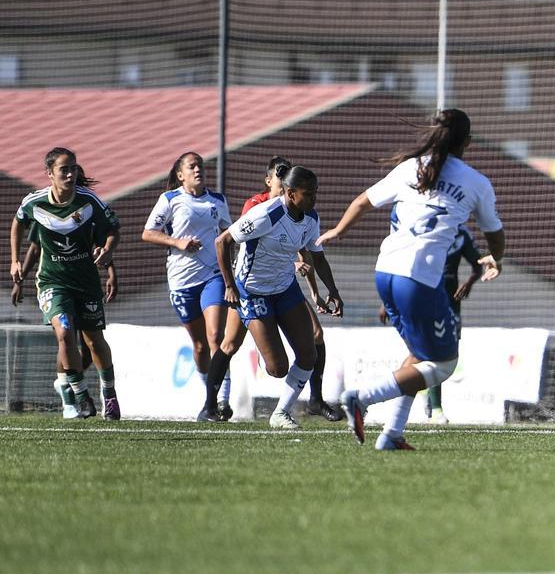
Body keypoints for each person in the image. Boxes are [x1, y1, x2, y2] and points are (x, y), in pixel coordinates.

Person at [317, 108, 504, 451]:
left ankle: (392, 434)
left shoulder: (410, 168)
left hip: (385, 272)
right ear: (468, 142)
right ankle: (362, 397)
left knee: (418, 355)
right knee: (444, 364)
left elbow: (362, 201)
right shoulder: (476, 182)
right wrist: (496, 257)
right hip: (418, 281)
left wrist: (339, 230)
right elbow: (495, 233)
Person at [202, 156, 343, 423]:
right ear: (291, 193)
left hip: (285, 288)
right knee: (277, 368)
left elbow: (317, 256)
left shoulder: (311, 218)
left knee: (308, 354)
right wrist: (230, 285)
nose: (314, 199)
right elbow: (222, 241)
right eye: (308, 194)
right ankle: (211, 403)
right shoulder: (266, 214)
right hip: (253, 291)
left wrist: (332, 290)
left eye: (316, 193)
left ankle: (281, 413)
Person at [10, 148, 122, 420]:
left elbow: (112, 230)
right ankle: (79, 396)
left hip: (86, 282)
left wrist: (108, 253)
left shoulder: (89, 201)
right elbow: (18, 224)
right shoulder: (35, 203)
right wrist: (15, 262)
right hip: (52, 282)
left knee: (94, 341)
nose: (70, 174)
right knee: (64, 332)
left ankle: (109, 395)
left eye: (73, 168)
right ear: (50, 174)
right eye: (64, 169)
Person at [141, 152, 236, 417]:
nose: (198, 170)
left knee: (216, 336)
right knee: (200, 346)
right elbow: (148, 233)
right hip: (182, 281)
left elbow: (229, 234)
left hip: (213, 276)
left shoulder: (217, 200)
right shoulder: (170, 199)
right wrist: (177, 242)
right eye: (192, 166)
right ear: (180, 174)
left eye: (200, 166)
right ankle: (209, 395)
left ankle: (221, 401)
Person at [379, 223, 484, 424]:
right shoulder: (422, 228)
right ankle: (433, 408)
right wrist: (387, 300)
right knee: (425, 353)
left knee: (443, 354)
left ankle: (423, 398)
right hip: (421, 296)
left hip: (450, 301)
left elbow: (477, 265)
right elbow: (399, 263)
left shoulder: (461, 234)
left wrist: (469, 283)